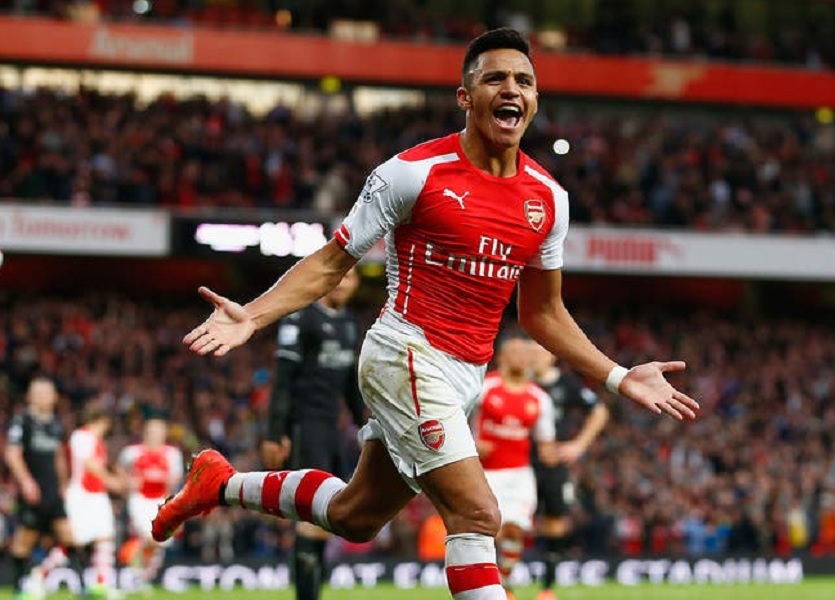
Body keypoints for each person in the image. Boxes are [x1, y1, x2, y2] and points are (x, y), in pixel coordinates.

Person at [153, 27, 699, 600]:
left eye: (524, 81)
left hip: (465, 375)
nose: (511, 89)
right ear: (465, 96)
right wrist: (253, 315)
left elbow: (543, 313)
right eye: (494, 78)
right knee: (478, 514)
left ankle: (219, 484)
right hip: (405, 353)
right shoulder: (413, 172)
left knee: (355, 516)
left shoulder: (548, 200)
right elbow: (333, 262)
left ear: (535, 100)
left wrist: (618, 376)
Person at [261, 267, 365, 600]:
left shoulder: (348, 324)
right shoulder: (301, 318)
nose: (343, 283)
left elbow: (350, 386)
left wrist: (367, 428)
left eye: (350, 277)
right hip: (304, 427)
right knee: (311, 516)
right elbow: (283, 380)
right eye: (339, 276)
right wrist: (275, 433)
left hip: (331, 430)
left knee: (327, 516)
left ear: (356, 284)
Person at [473, 335, 556, 600]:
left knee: (514, 530)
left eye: (524, 353)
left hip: (520, 473)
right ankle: (485, 585)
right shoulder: (485, 387)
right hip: (485, 472)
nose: (522, 357)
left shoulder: (539, 398)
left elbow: (546, 441)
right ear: (502, 357)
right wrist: (472, 442)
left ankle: (505, 584)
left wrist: (566, 451)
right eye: (515, 352)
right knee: (489, 531)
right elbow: (456, 415)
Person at [529, 341, 609, 600]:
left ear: (551, 356)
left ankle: (547, 587)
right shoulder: (521, 383)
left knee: (555, 522)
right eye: (531, 353)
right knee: (510, 522)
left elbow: (599, 411)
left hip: (554, 465)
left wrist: (579, 445)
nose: (534, 358)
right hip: (520, 463)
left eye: (539, 352)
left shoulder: (566, 384)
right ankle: (504, 584)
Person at [4, 375, 87, 600]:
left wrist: (63, 483)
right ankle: (18, 588)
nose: (42, 397)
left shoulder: (55, 424)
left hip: (53, 491)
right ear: (30, 396)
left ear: (54, 397)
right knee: (24, 542)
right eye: (38, 393)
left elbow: (59, 456)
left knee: (69, 536)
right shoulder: (22, 422)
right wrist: (26, 482)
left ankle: (82, 588)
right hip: (33, 491)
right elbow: (12, 454)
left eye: (46, 393)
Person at [117, 414, 183, 591]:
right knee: (147, 537)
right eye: (152, 431)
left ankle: (144, 578)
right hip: (139, 499)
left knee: (158, 542)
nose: (155, 435)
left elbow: (176, 477)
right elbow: (119, 469)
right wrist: (128, 481)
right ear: (145, 433)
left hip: (160, 500)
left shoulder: (172, 453)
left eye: (159, 431)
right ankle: (134, 573)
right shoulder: (132, 452)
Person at [66, 404, 126, 598]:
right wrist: (111, 481)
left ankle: (102, 584)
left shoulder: (95, 439)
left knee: (105, 537)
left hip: (97, 495)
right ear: (103, 421)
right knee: (73, 541)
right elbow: (90, 464)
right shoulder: (81, 436)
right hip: (81, 496)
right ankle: (38, 577)